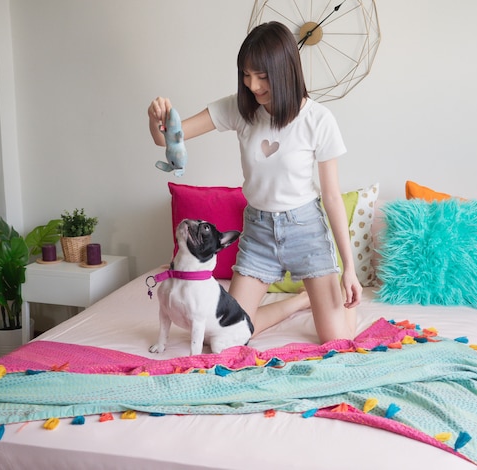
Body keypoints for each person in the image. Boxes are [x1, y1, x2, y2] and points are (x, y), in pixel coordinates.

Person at [148, 21, 361, 343]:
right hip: (259, 234)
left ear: (285, 71)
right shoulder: (240, 107)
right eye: (246, 75)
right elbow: (169, 138)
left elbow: (331, 197)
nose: (253, 85)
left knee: (337, 339)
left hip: (306, 232)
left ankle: (323, 299)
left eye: (262, 76)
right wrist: (156, 120)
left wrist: (349, 268)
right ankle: (299, 302)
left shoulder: (319, 120)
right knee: (221, 335)